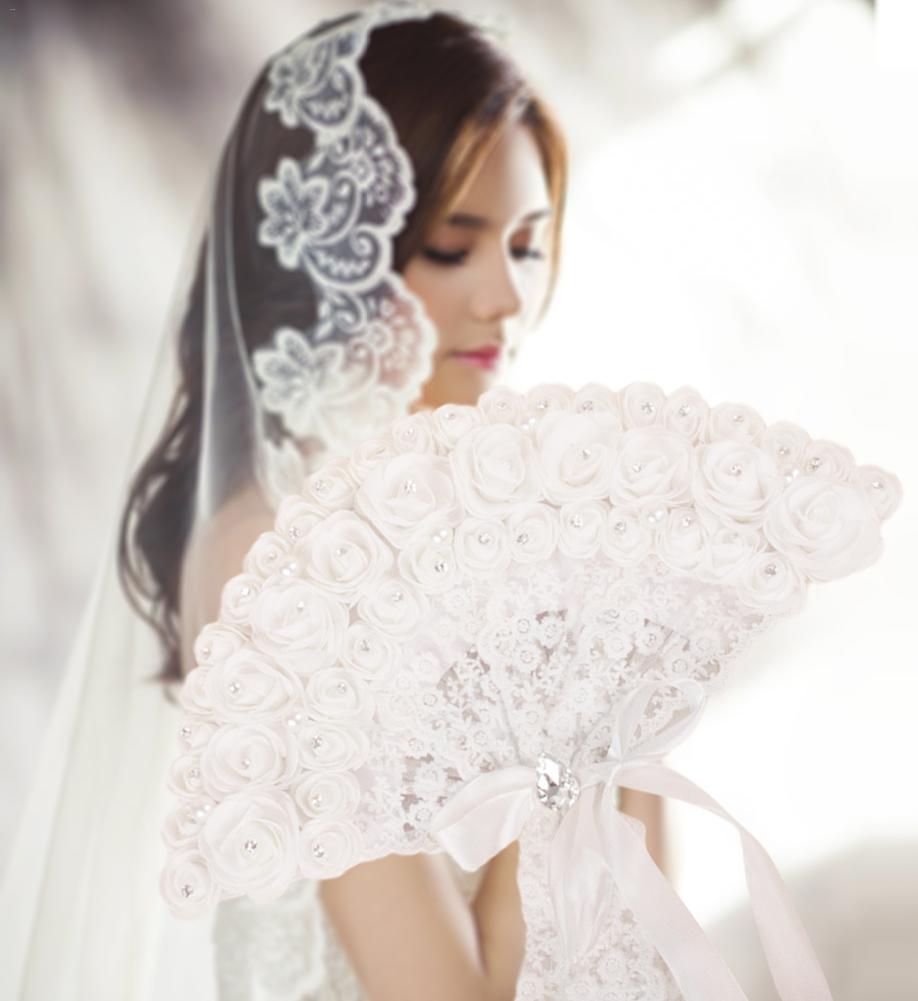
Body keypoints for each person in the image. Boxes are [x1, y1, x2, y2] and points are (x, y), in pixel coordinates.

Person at [0, 5, 666, 1000]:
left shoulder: (462, 527)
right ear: (329, 252)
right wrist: (575, 726)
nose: (506, 297)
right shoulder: (273, 556)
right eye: (451, 248)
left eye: (528, 245)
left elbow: (641, 942)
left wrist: (622, 701)